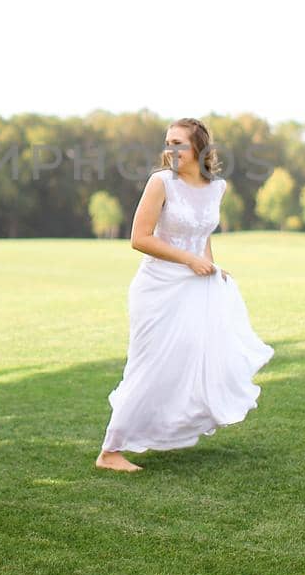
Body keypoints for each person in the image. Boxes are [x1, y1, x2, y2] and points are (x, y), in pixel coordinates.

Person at [96, 118, 274, 472]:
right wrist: (190, 260)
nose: (170, 149)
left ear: (199, 149)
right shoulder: (160, 183)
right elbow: (140, 238)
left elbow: (202, 235)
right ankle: (110, 452)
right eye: (167, 142)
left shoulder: (216, 188)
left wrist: (210, 265)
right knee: (147, 365)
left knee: (193, 358)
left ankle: (175, 426)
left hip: (195, 288)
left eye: (179, 142)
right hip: (158, 288)